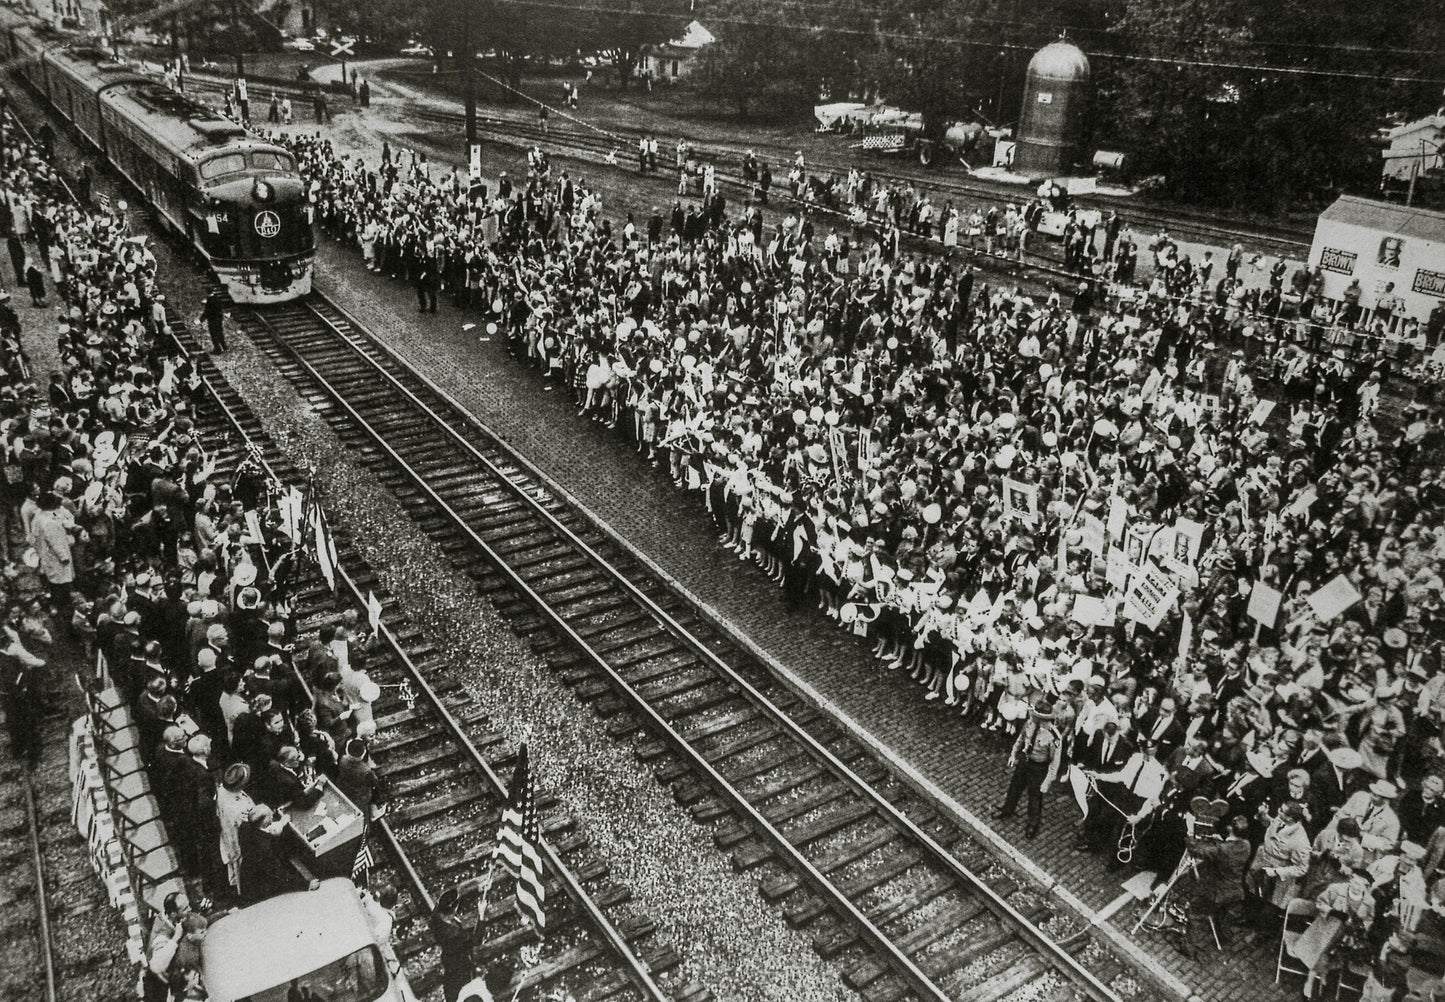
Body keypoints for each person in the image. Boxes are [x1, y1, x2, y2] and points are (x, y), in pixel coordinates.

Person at [1288, 868, 1377, 999]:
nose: (1355, 886)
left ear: (1367, 887)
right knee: (1320, 953)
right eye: (1353, 881)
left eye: (1360, 884)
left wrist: (1358, 925)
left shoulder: (1369, 902)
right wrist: (1332, 912)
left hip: (1346, 936)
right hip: (1325, 930)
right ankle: (1310, 981)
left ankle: (1324, 973)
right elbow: (1319, 903)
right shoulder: (1336, 889)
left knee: (1335, 958)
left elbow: (1369, 920)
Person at [1179, 815, 1252, 958]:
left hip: (1217, 893)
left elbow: (1196, 850)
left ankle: (1189, 948)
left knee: (1195, 914)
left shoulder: (1222, 849)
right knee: (1220, 914)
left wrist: (1189, 830)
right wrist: (1219, 841)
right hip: (1235, 891)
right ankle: (1223, 936)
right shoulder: (1246, 845)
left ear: (1230, 828)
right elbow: (1229, 850)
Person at [994, 698, 1063, 839]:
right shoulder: (1030, 724)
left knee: (1035, 797)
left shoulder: (1054, 737)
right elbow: (1020, 740)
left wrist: (1047, 781)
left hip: (1039, 768)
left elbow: (1054, 762)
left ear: (1041, 718)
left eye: (1035, 715)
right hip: (1025, 762)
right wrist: (1013, 754)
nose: (1031, 716)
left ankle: (1033, 823)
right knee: (1014, 787)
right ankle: (1008, 809)